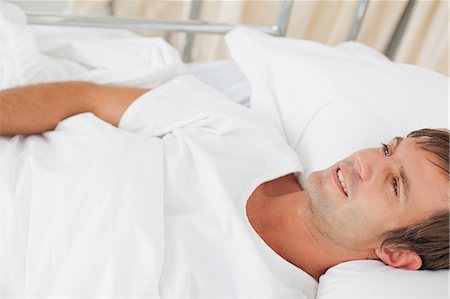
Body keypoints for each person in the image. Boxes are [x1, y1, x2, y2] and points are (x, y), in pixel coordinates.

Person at [1, 78, 448, 292]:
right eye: (388, 149)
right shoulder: (244, 134)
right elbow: (87, 99)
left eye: (394, 185)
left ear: (397, 255)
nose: (365, 161)